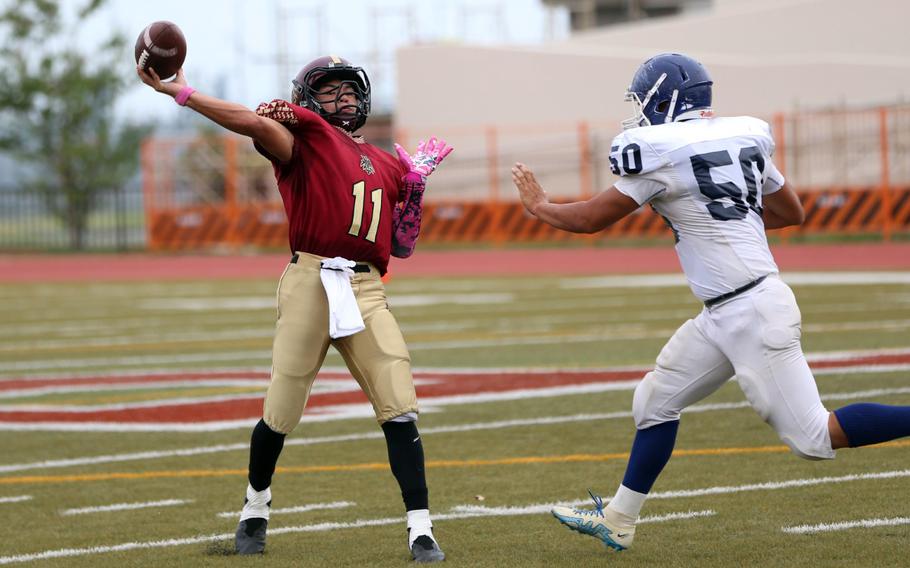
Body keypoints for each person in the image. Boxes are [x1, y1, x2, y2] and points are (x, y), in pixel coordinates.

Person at [512, 52, 910, 552]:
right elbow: (792, 212)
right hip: (726, 311)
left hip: (751, 311)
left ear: (665, 99)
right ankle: (619, 519)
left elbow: (589, 220)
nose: (638, 112)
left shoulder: (658, 153)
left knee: (814, 437)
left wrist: (540, 206)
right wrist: (724, 216)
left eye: (643, 101)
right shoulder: (740, 138)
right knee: (655, 401)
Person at [138, 54, 452, 563]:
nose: (342, 97)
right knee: (282, 406)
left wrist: (414, 188)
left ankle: (421, 529)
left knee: (400, 400)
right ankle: (255, 507)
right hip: (310, 279)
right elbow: (250, 122)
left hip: (366, 286)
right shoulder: (302, 138)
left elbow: (403, 245)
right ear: (307, 99)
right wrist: (182, 93)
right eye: (329, 90)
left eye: (348, 89)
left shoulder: (386, 161)